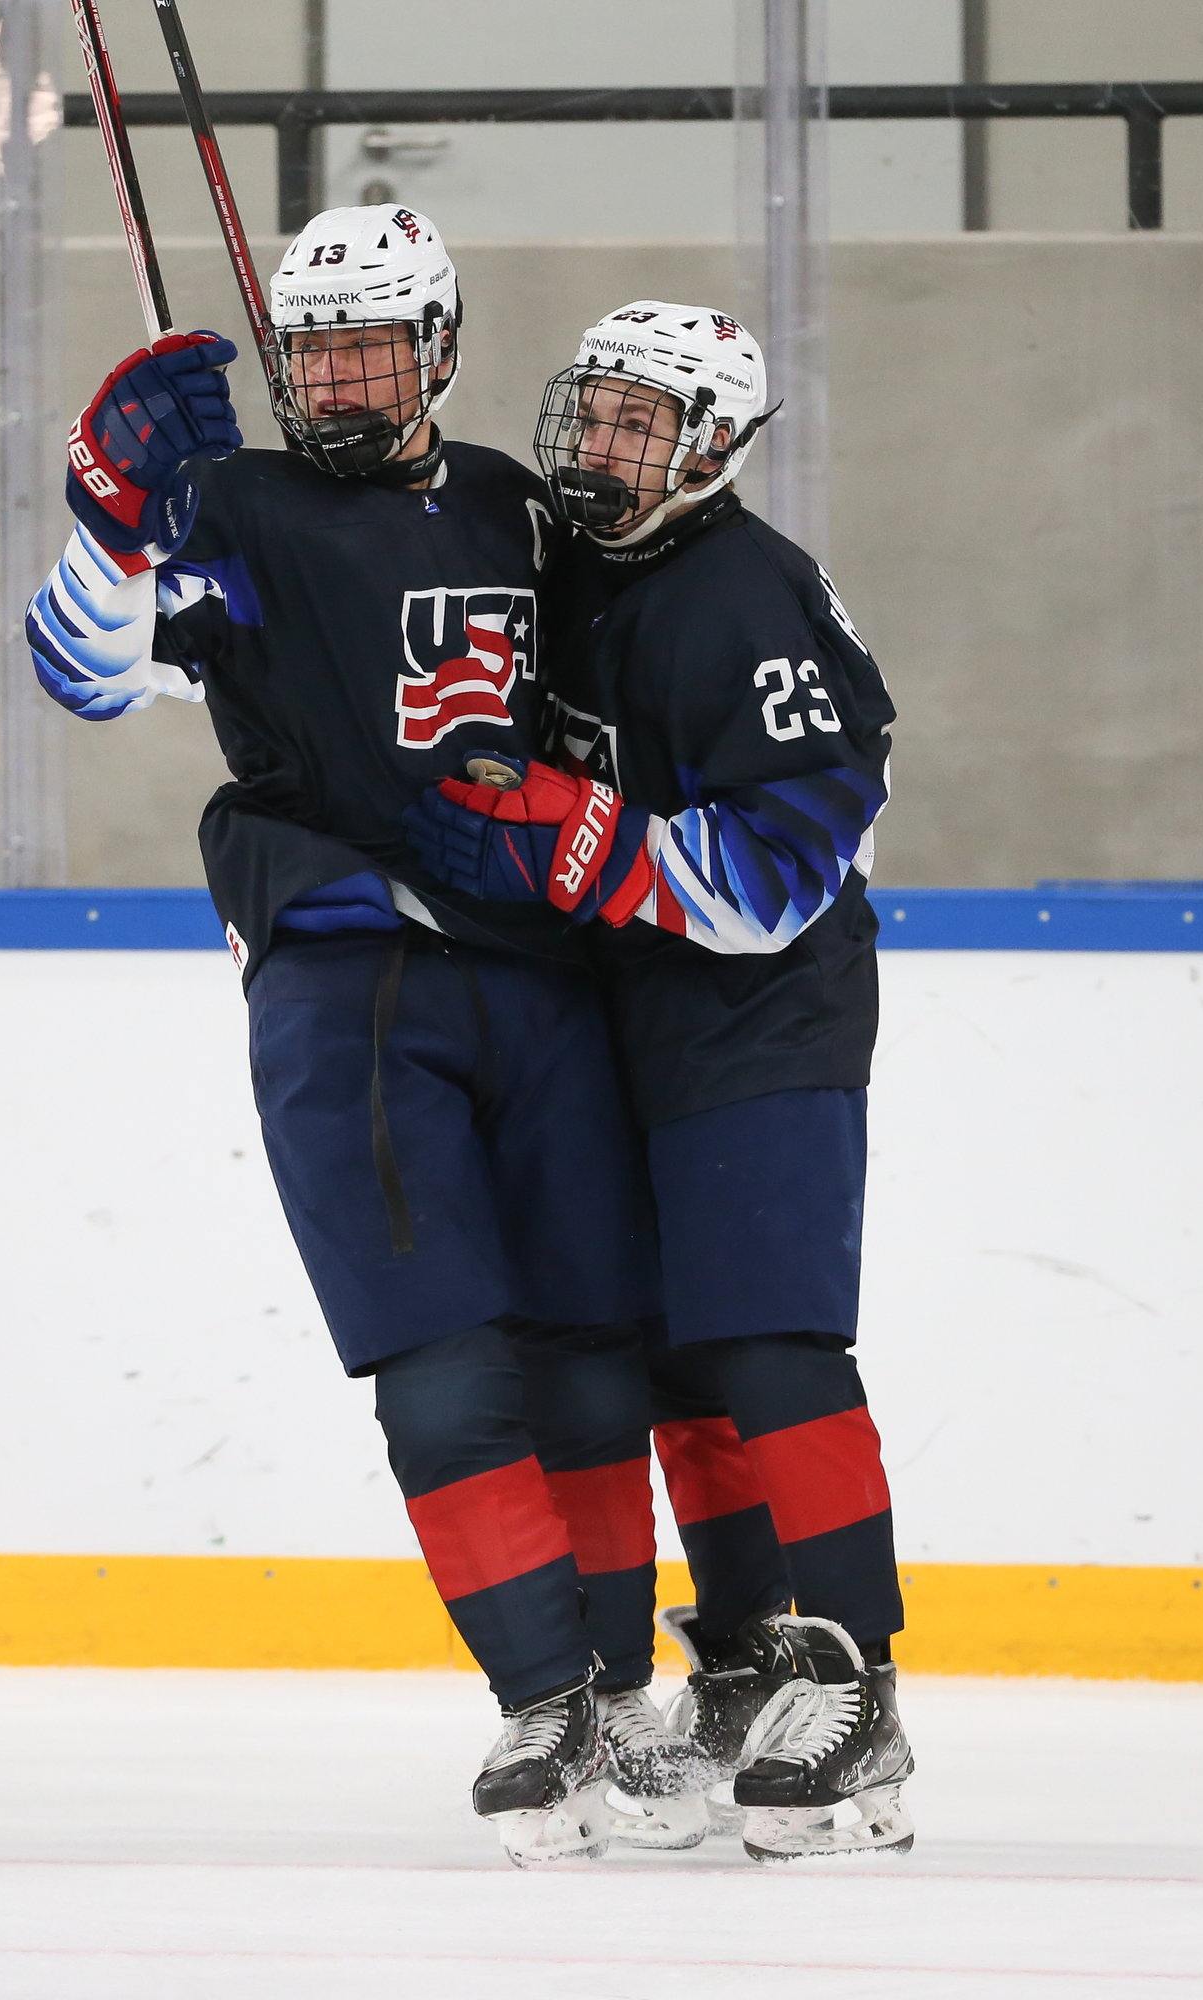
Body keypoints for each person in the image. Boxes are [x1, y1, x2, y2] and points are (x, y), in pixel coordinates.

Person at [25, 212, 718, 1864]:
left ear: (440, 348)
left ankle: (622, 1691)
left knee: (589, 1351)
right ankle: (538, 1697)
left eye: (370, 348)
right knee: (439, 1362)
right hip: (347, 979)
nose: (336, 379)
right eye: (313, 352)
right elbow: (85, 677)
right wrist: (111, 523)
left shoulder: (514, 505)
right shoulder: (232, 508)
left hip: (538, 970)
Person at [403, 299, 914, 1860]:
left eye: (644, 421)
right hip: (623, 1012)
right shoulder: (569, 570)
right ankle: (751, 1663)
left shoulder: (747, 600)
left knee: (768, 1343)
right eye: (596, 408)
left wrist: (569, 828)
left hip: (761, 1017)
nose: (603, 442)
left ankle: (857, 1680)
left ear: (715, 448)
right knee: (678, 1363)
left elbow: (775, 878)